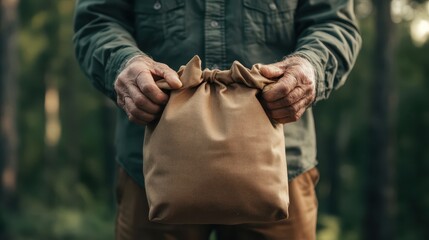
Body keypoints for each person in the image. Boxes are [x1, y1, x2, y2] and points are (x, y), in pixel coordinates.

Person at [73, 0, 361, 239]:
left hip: (283, 168)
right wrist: (122, 62)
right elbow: (98, 20)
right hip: (149, 171)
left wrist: (312, 65)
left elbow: (334, 23)